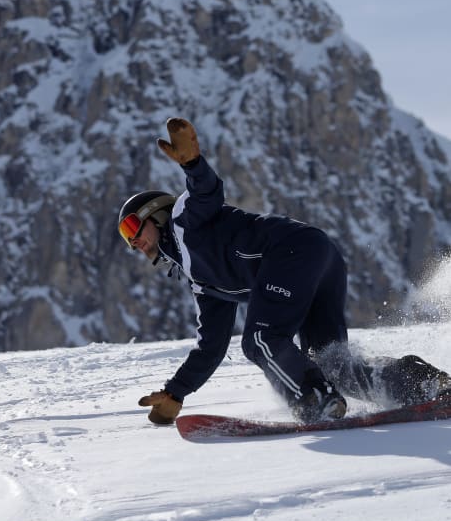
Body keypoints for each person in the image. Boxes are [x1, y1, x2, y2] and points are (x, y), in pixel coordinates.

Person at [118, 118, 450, 425]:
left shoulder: (183, 220)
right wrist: (176, 392)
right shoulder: (201, 281)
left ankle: (315, 398)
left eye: (132, 227)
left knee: (261, 339)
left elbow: (206, 192)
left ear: (155, 213)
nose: (133, 242)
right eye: (125, 238)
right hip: (318, 258)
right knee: (330, 364)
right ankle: (423, 385)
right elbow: (211, 347)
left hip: (290, 253)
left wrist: (193, 164)